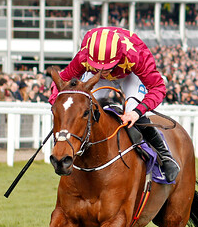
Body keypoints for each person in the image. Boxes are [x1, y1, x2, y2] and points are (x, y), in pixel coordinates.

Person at [48, 26, 180, 182]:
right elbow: (61, 83)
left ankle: (165, 155)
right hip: (96, 78)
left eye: (105, 68)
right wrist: (56, 105)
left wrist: (136, 112)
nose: (102, 71)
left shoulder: (136, 55)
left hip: (130, 74)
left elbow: (158, 87)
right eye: (97, 67)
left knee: (132, 109)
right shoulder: (84, 55)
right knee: (81, 108)